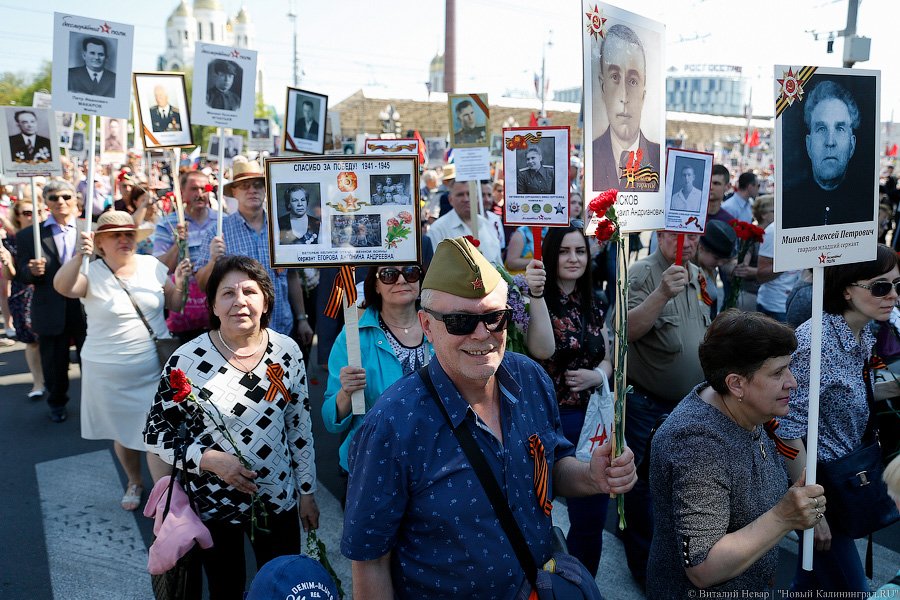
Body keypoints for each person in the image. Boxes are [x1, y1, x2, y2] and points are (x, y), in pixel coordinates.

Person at [341, 237, 637, 598]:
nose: (482, 335)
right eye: (460, 321)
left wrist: (592, 475)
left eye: (494, 317)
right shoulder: (391, 425)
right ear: (427, 326)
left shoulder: (529, 379)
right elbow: (370, 560)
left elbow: (553, 461)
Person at [144, 255, 319, 599]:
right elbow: (156, 432)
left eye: (250, 291)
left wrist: (308, 492)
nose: (240, 301)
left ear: (266, 300)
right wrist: (207, 459)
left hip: (277, 499)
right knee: (227, 589)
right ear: (212, 304)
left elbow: (299, 425)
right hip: (213, 506)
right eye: (228, 293)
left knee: (282, 586)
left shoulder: (287, 351)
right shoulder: (188, 360)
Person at [647, 310, 825, 595]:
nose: (792, 381)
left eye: (789, 368)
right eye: (778, 372)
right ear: (736, 384)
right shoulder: (697, 445)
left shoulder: (747, 409)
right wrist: (783, 517)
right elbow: (702, 568)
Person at [779, 244, 900, 593]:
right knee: (852, 589)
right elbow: (786, 429)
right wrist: (811, 512)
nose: (892, 295)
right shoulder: (816, 342)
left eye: (897, 286)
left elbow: (845, 396)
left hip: (846, 482)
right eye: (881, 286)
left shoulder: (861, 330)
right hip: (822, 489)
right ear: (847, 289)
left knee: (811, 583)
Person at [53, 211, 190, 509]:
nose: (125, 239)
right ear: (100, 242)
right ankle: (134, 481)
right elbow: (62, 287)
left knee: (157, 433)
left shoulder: (152, 266)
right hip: (108, 374)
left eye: (129, 234)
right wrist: (79, 255)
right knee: (124, 433)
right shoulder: (89, 272)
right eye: (116, 235)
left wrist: (180, 282)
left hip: (154, 368)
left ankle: (166, 498)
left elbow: (176, 304)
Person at [621, 230, 710, 587]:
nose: (687, 243)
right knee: (644, 487)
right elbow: (625, 331)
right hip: (648, 406)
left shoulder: (698, 273)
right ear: (660, 235)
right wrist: (661, 294)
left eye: (693, 237)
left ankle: (673, 562)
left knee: (683, 487)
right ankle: (643, 567)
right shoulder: (642, 274)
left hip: (690, 404)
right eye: (678, 235)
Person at [534, 224, 613, 577]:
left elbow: (608, 357)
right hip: (550, 418)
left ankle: (582, 586)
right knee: (539, 513)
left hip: (592, 418)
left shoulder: (595, 301)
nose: (573, 258)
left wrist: (599, 376)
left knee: (591, 517)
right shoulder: (535, 301)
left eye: (580, 251)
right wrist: (534, 297)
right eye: (564, 251)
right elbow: (542, 350)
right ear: (551, 254)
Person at [321, 265, 433, 485]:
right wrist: (346, 393)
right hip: (374, 466)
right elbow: (330, 420)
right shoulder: (353, 336)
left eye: (410, 273)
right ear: (376, 285)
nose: (401, 280)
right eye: (389, 275)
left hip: (433, 462)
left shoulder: (441, 327)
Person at [196, 160, 313, 344]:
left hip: (282, 331)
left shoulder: (284, 228)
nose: (252, 190)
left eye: (258, 185)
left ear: (265, 190)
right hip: (240, 337)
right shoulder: (218, 232)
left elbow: (291, 277)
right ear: (234, 192)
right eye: (245, 186)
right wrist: (212, 261)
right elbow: (202, 284)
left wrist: (302, 318)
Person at [14, 180, 87, 423]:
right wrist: (30, 270)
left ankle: (95, 403)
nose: (61, 202)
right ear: (46, 202)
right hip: (50, 306)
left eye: (66, 196)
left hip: (86, 306)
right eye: (54, 197)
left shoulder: (90, 230)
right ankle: (56, 402)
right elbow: (20, 273)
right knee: (54, 363)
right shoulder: (29, 235)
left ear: (75, 199)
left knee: (93, 360)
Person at [782, 79, 874, 228]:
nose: (830, 142)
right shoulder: (786, 205)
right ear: (808, 144)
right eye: (821, 129)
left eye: (840, 128)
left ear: (852, 145)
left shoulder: (866, 207)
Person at [592, 23, 660, 192]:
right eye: (615, 77)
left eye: (632, 81)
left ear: (643, 94)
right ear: (603, 87)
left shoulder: (659, 159)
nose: (623, 96)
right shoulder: (591, 155)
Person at [154, 171, 218, 343]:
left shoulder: (221, 221)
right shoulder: (168, 223)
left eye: (204, 188)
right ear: (182, 192)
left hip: (217, 309)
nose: (200, 194)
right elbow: (160, 267)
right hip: (184, 311)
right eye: (194, 189)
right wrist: (178, 244)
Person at [0, 200, 45, 398]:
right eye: (27, 212)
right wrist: (7, 263)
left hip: (48, 291)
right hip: (23, 293)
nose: (32, 216)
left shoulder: (49, 234)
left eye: (38, 211)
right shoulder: (11, 241)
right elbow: (10, 275)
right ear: (17, 216)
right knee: (32, 340)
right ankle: (38, 382)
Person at [427, 180, 502, 265]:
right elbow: (437, 269)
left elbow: (499, 264)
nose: (466, 199)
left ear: (477, 197)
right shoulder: (438, 230)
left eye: (469, 194)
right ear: (450, 199)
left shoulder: (487, 225)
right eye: (460, 195)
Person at [693, 220, 737, 319]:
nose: (720, 263)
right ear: (701, 248)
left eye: (723, 260)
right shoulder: (689, 271)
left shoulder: (708, 268)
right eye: (716, 258)